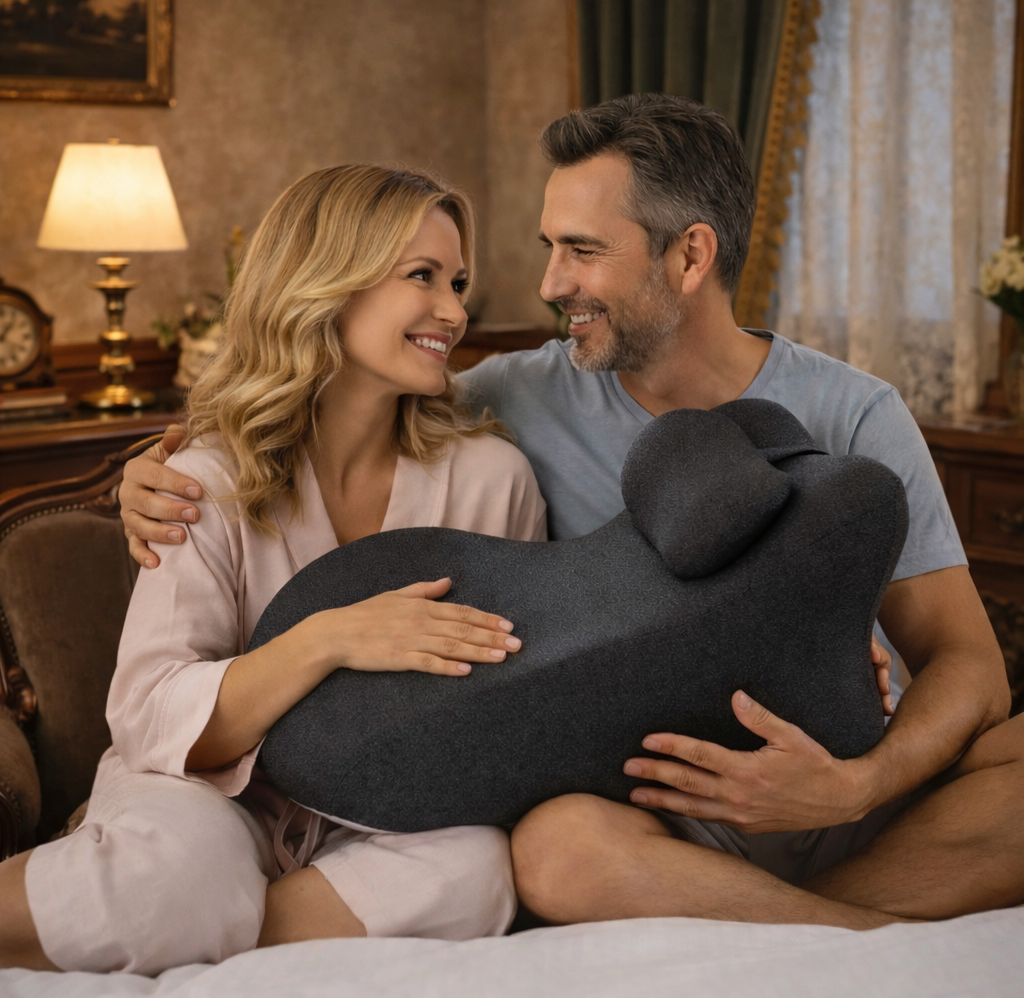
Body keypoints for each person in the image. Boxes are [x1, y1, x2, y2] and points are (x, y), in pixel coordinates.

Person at [117, 95, 1023, 929]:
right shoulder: (506, 399)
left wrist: (852, 787)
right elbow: (336, 393)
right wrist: (150, 463)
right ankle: (865, 935)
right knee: (553, 849)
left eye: (583, 251)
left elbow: (972, 670)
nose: (549, 283)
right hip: (661, 810)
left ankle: (790, 910)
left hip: (845, 770)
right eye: (550, 245)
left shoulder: (856, 413)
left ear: (691, 256)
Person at [0, 164, 548, 974]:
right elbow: (150, 714)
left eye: (458, 282)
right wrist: (327, 640)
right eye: (422, 277)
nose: (456, 311)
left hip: (385, 810)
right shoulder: (207, 478)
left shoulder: (492, 479)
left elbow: (519, 697)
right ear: (329, 285)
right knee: (190, 867)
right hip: (203, 797)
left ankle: (194, 922)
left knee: (474, 868)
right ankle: (180, 900)